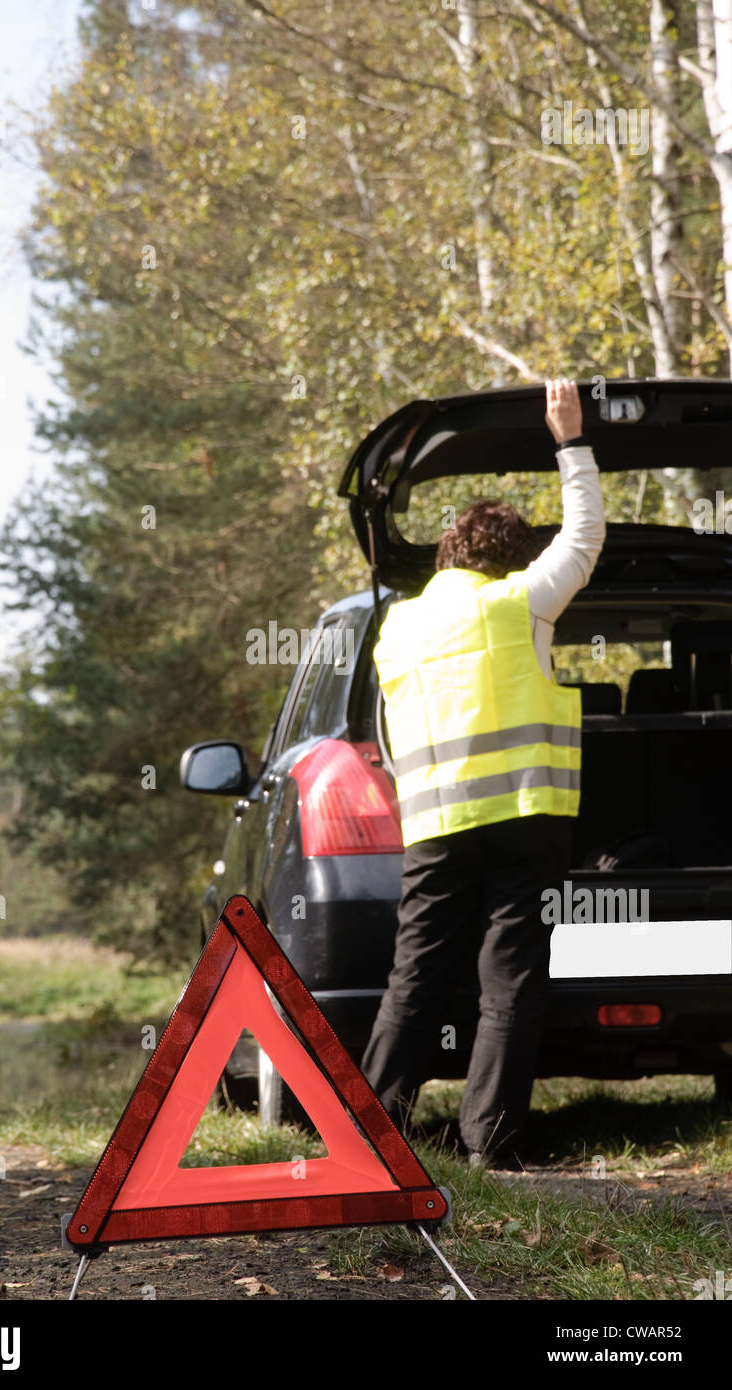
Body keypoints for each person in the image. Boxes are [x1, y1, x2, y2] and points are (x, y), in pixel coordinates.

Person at [361, 379, 605, 1169]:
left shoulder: (394, 629)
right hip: (524, 819)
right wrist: (569, 439)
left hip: (433, 828)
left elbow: (387, 736)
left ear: (445, 555)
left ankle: (370, 1138)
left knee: (414, 978)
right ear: (510, 558)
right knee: (509, 979)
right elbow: (584, 537)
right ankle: (489, 1146)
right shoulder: (517, 605)